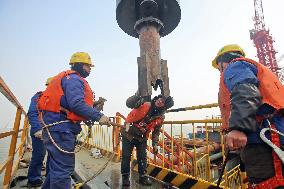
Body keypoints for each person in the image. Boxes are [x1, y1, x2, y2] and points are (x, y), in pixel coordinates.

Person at [212, 44, 284, 188]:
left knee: (265, 183)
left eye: (219, 68)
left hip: (263, 140)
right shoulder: (253, 68)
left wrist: (239, 128)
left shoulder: (234, 66)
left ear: (222, 61)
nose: (220, 72)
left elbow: (246, 90)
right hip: (275, 134)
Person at [37, 52, 111, 189]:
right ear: (80, 65)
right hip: (61, 130)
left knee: (56, 169)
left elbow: (69, 104)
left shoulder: (67, 78)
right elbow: (76, 104)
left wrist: (91, 112)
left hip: (56, 128)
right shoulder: (74, 79)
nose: (90, 69)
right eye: (88, 66)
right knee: (63, 170)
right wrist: (98, 116)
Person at [121, 94, 174, 186]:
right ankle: (125, 176)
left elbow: (156, 132)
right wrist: (138, 95)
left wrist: (155, 144)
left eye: (162, 102)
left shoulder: (161, 117)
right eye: (160, 99)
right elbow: (129, 103)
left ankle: (143, 177)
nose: (159, 101)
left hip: (141, 137)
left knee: (142, 157)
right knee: (126, 156)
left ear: (164, 107)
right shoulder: (144, 103)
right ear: (157, 98)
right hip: (128, 133)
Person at [26, 77, 53, 187]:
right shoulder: (38, 97)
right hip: (40, 130)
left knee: (53, 156)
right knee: (39, 155)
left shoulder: (59, 98)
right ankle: (33, 179)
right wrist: (37, 129)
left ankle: (50, 177)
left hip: (52, 130)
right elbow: (32, 112)